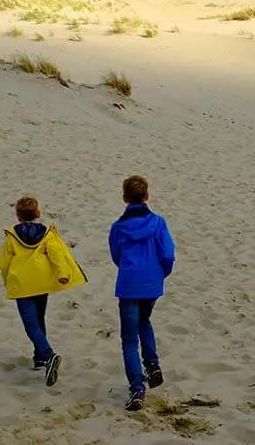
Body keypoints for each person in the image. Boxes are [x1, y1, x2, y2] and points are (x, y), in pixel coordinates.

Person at [0, 196, 87, 387]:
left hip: (22, 287)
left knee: (31, 325)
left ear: (17, 216)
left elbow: (3, 263)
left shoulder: (12, 237)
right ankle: (39, 357)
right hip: (41, 285)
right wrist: (63, 274)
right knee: (39, 319)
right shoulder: (47, 235)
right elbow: (56, 255)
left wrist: (7, 281)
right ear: (38, 214)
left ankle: (48, 355)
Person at [109, 175, 176, 411]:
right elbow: (167, 254)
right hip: (150, 283)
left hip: (129, 283)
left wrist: (131, 269)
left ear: (125, 197)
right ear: (146, 195)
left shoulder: (118, 227)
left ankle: (137, 387)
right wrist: (159, 273)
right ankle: (152, 364)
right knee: (144, 321)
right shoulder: (158, 223)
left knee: (129, 339)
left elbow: (116, 255)